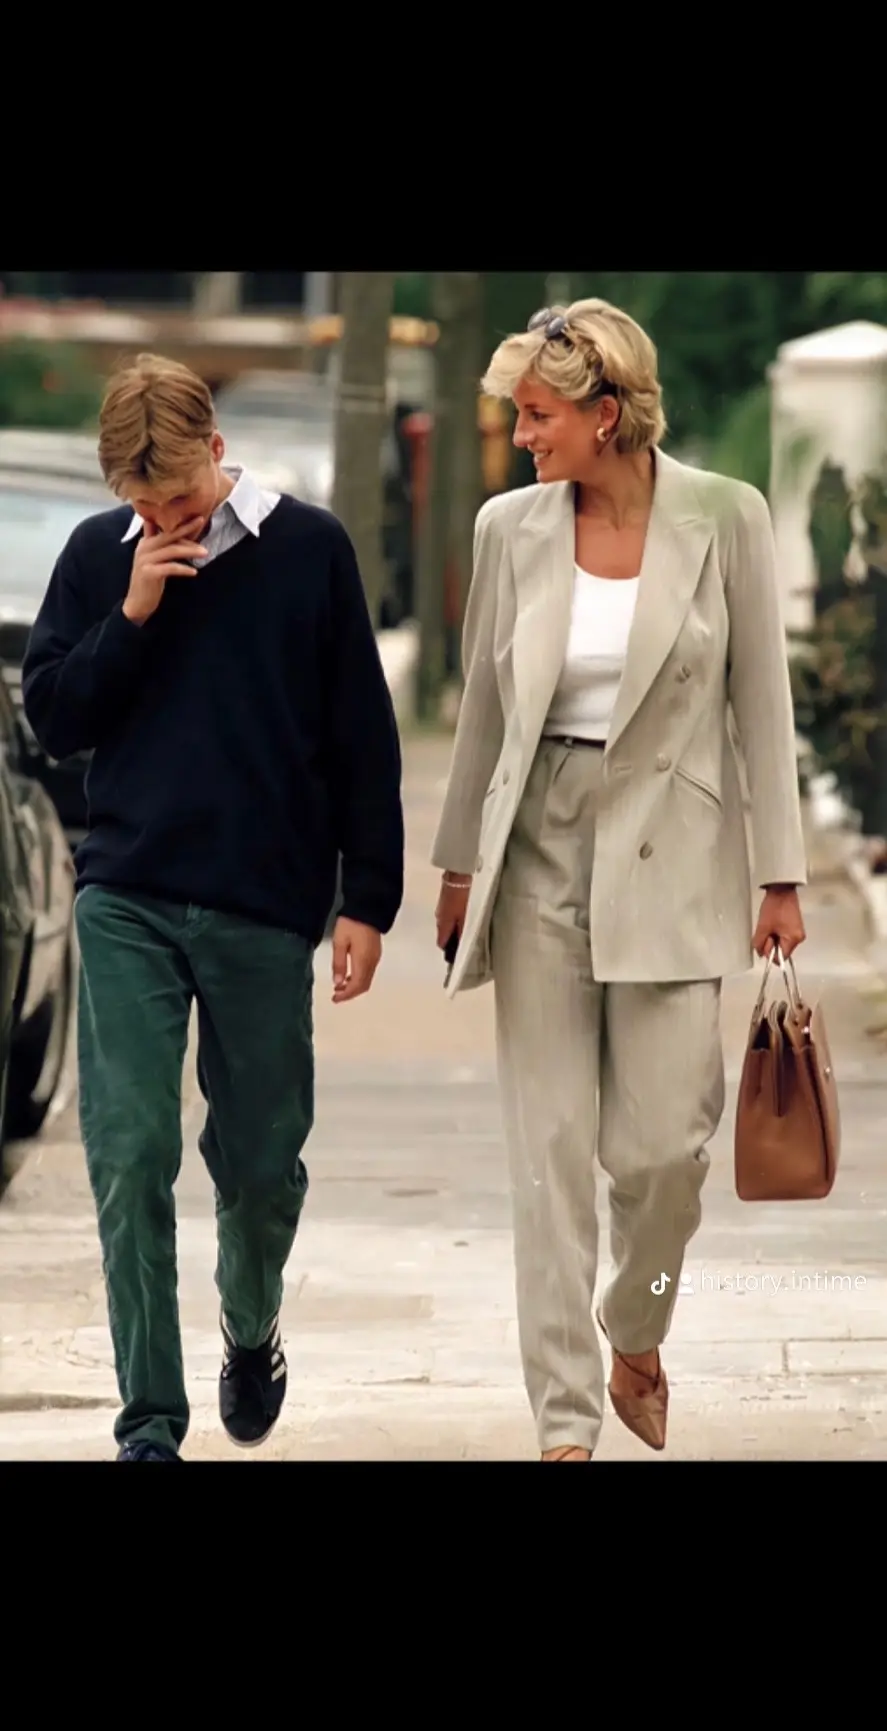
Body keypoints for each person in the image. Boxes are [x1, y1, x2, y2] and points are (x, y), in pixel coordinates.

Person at [432, 300, 807, 1461]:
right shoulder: (509, 528)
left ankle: (632, 1327)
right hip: (538, 843)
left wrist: (780, 878)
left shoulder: (723, 517)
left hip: (677, 855)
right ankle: (563, 1427)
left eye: (537, 416)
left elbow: (759, 706)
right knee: (547, 1156)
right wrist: (456, 864)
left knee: (660, 1151)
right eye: (516, 417)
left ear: (606, 414)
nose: (521, 436)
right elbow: (483, 710)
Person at [22, 353, 404, 1461]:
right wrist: (131, 614)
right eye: (142, 507)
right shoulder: (101, 559)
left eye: (180, 501)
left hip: (261, 902)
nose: (165, 521)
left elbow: (360, 742)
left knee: (259, 1156)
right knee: (130, 1151)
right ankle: (148, 1421)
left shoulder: (310, 551)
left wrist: (363, 901)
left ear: (217, 456)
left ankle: (251, 1328)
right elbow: (54, 716)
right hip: (127, 895)